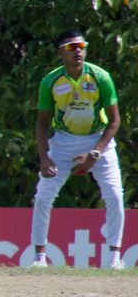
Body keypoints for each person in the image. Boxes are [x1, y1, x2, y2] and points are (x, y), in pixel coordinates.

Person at [30, 29, 124, 269]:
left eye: (82, 46)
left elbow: (114, 121)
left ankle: (114, 258)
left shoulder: (100, 77)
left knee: (114, 195)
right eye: (72, 48)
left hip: (98, 140)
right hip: (63, 141)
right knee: (43, 196)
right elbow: (42, 123)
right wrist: (44, 159)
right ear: (60, 53)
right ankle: (39, 258)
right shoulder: (51, 81)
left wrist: (94, 154)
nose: (78, 51)